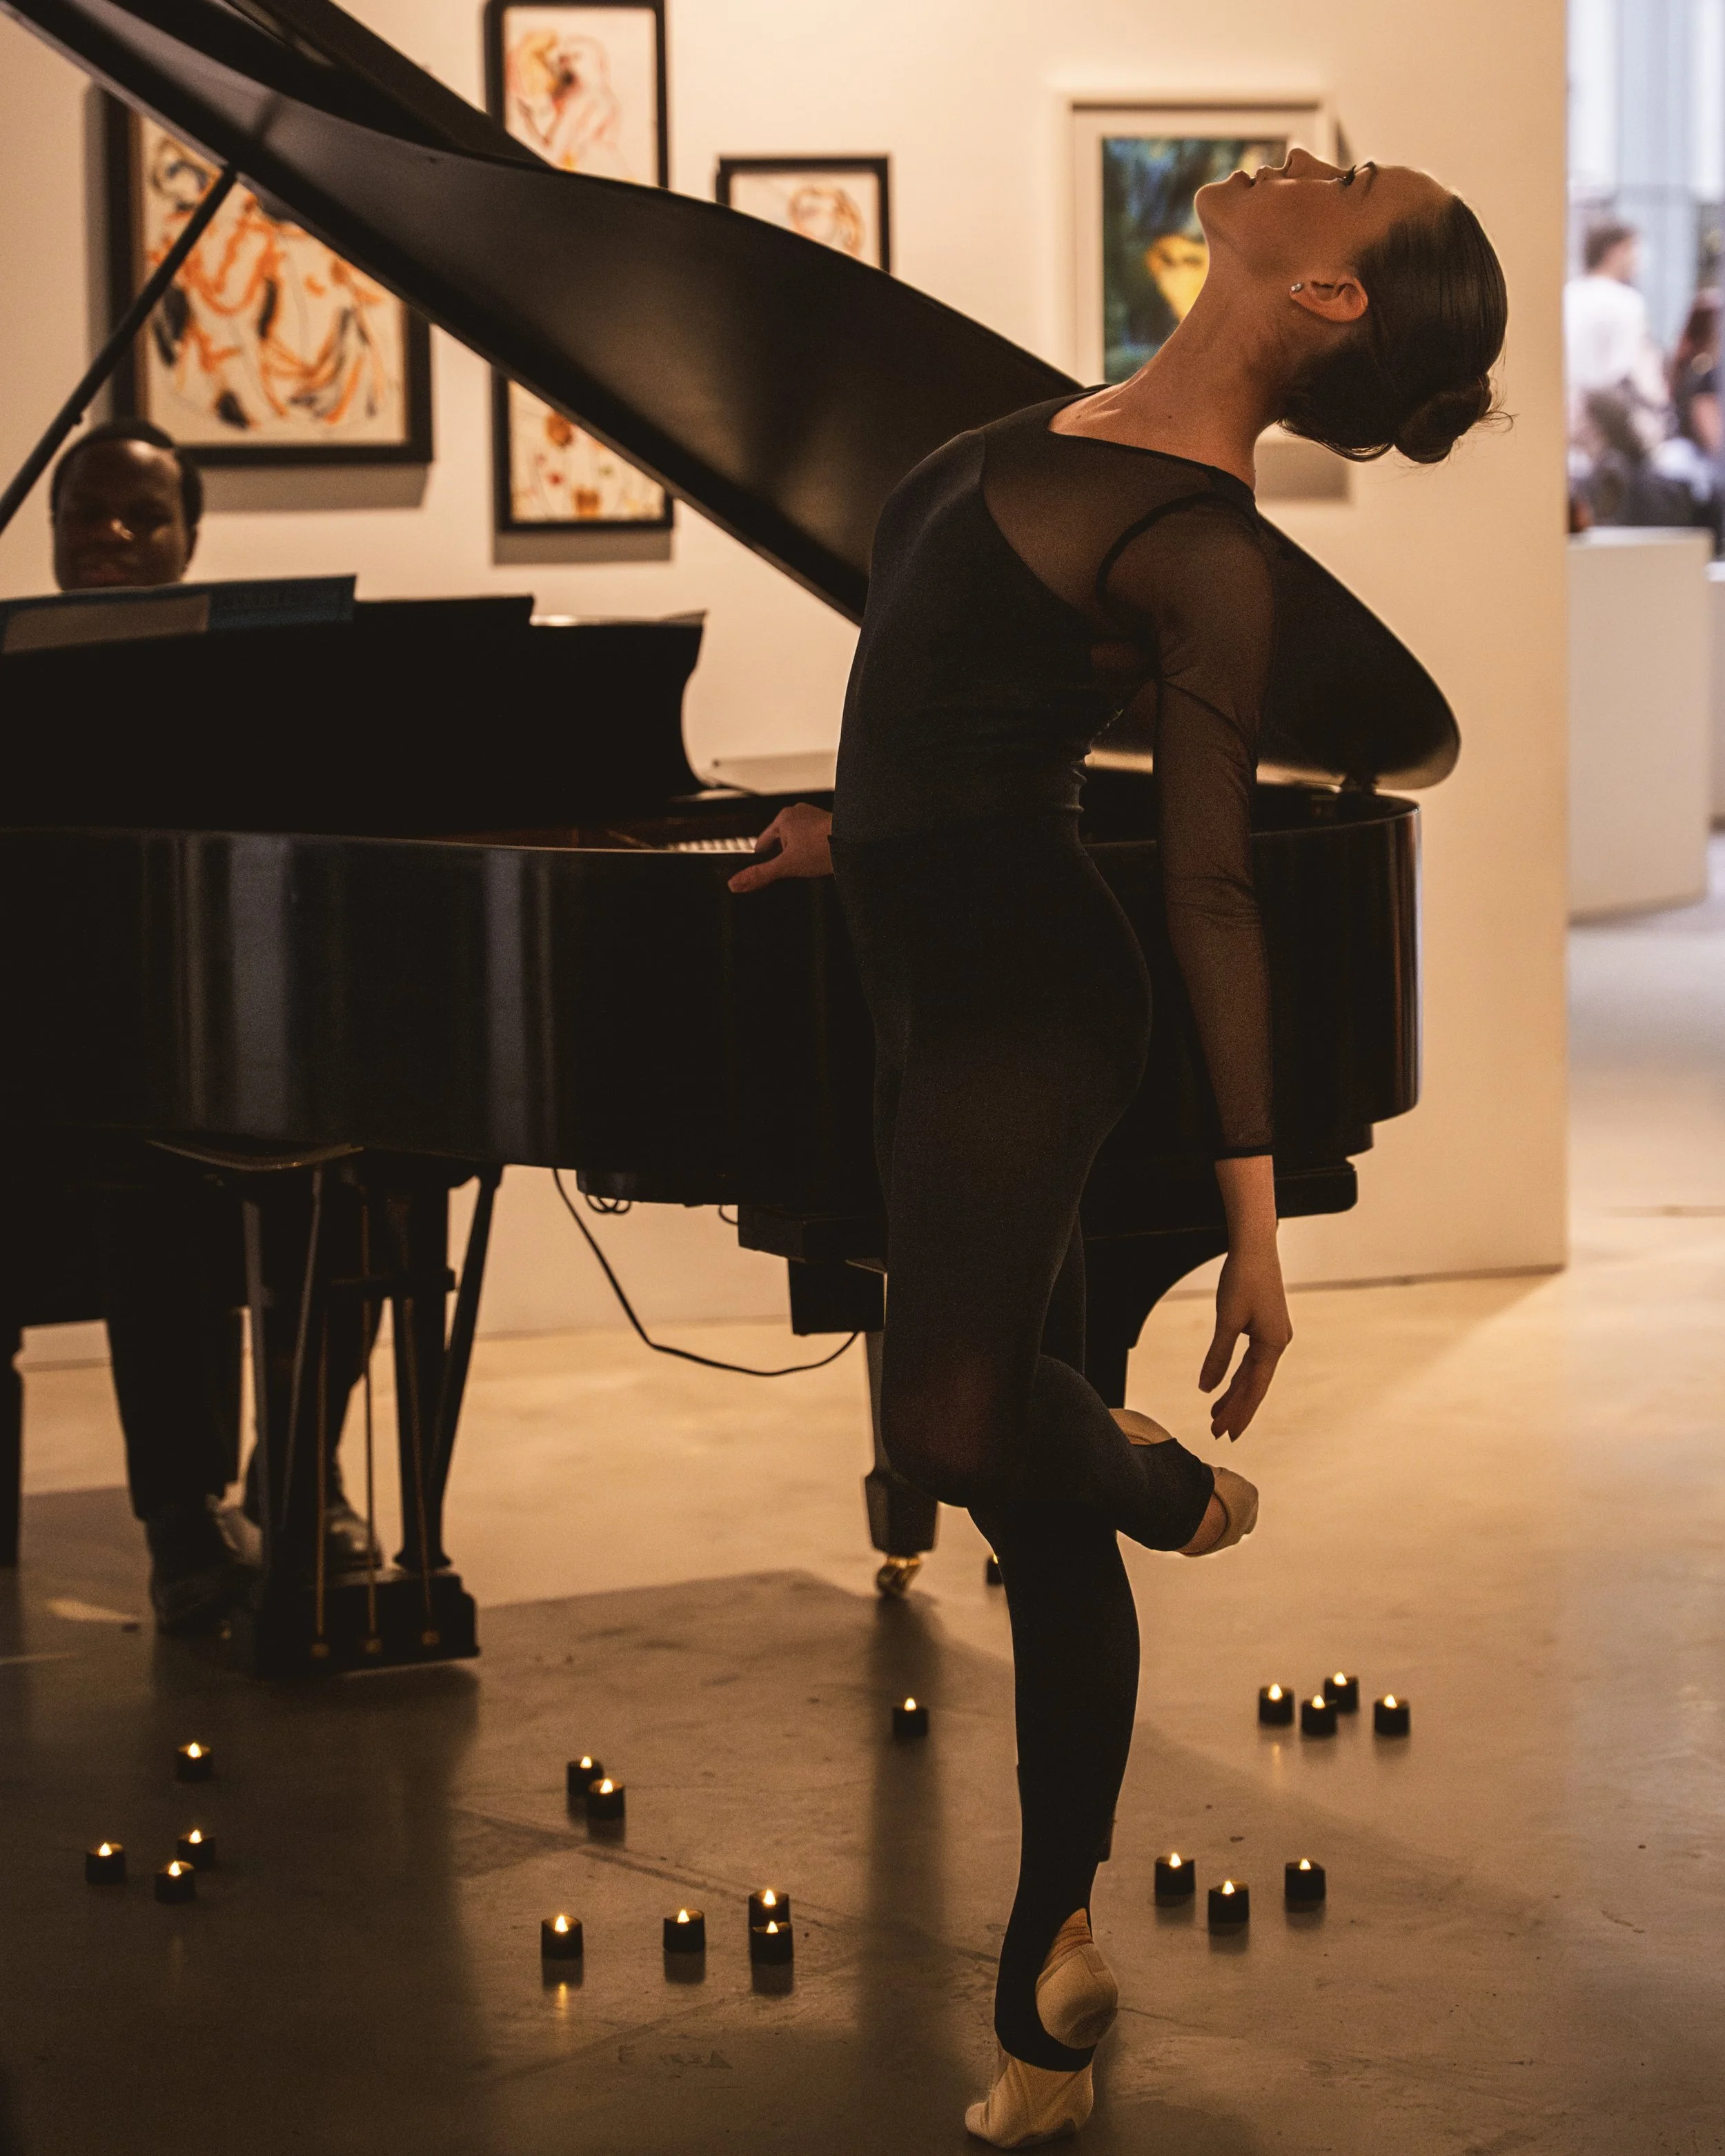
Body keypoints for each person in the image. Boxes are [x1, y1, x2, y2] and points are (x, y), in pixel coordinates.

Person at [731, 149, 1506, 2146]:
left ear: (1326, 299)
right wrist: (846, 822)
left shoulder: (1200, 546)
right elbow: (935, 699)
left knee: (959, 1427)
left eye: (1346, 184)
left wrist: (1256, 1230)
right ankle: (1047, 1977)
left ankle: (1161, 1477)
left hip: (1030, 1010)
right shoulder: (1038, 424)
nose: (1299, 159)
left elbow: (1212, 892)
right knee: (1018, 1505)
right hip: (907, 975)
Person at [46, 420, 375, 1631]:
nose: (118, 538)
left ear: (193, 537)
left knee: (367, 1167)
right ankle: (177, 1519)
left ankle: (298, 1472)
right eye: (93, 513)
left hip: (234, 1017)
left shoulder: (260, 678)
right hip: (58, 1047)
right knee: (150, 1191)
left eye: (146, 518)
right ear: (54, 527)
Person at [1564, 220, 1668, 458]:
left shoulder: (1569, 295)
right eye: (1632, 249)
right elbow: (1627, 375)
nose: (1636, 258)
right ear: (1614, 251)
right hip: (1608, 430)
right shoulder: (1627, 302)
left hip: (1569, 424)